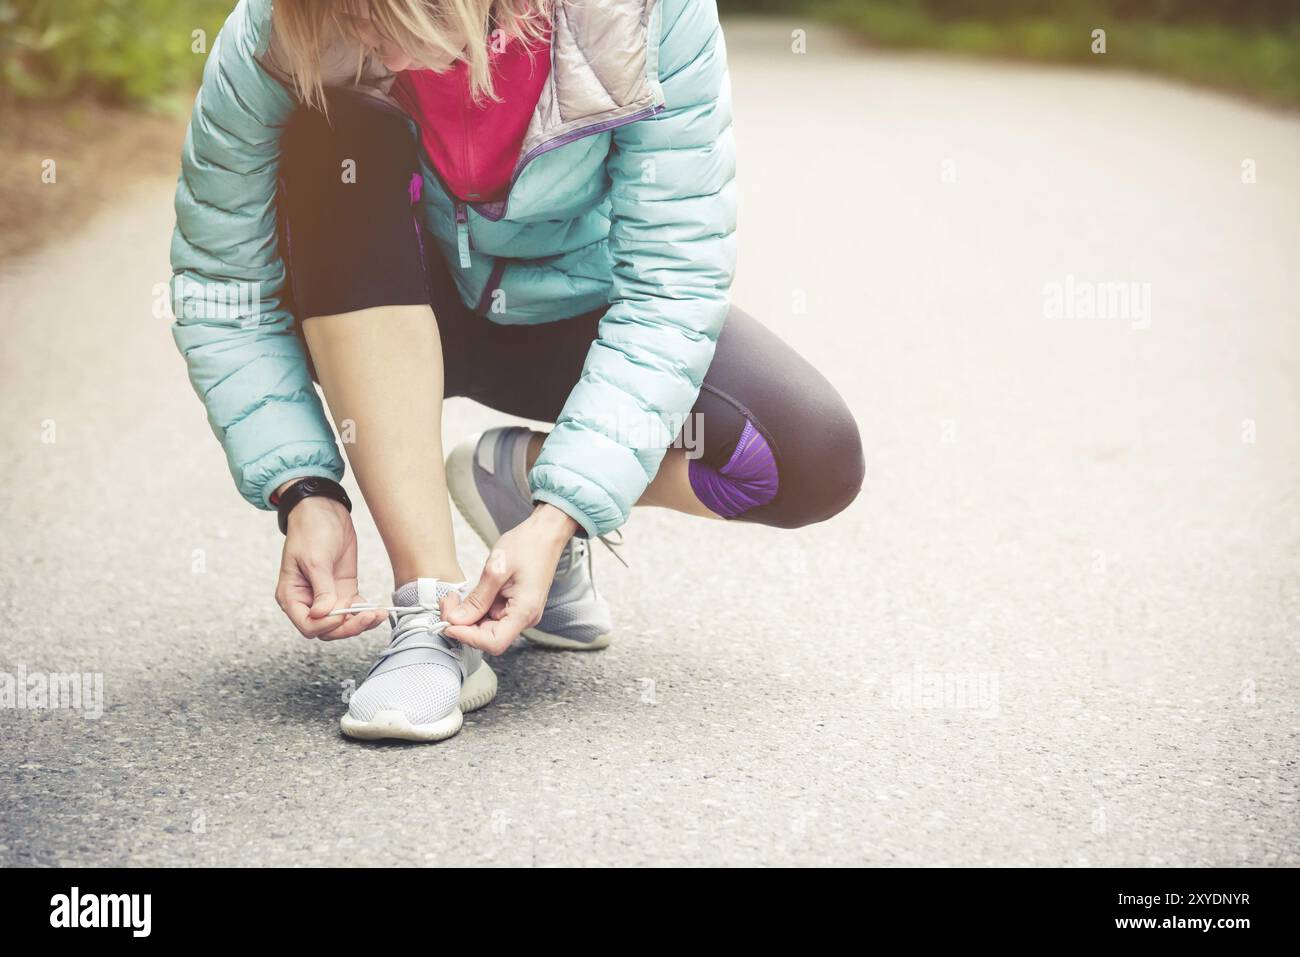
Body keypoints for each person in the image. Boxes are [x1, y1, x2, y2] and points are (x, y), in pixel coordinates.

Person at [170, 0, 864, 742]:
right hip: (378, 315)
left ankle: (518, 478)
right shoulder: (281, 26)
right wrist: (302, 489)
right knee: (333, 133)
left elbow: (671, 285)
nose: (363, 38)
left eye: (382, 17)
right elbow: (222, 286)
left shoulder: (650, 13)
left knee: (807, 455)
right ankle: (429, 614)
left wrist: (560, 511)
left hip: (569, 320)